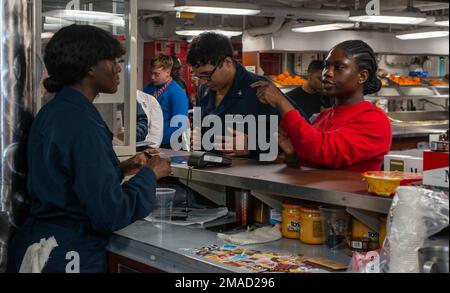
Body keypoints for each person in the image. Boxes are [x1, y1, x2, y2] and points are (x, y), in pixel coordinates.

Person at [6, 24, 171, 273]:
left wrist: (120, 169)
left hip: (43, 241)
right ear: (89, 67)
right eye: (113, 60)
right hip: (68, 252)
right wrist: (150, 175)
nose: (118, 68)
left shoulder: (57, 110)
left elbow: (65, 177)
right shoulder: (81, 122)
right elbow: (109, 213)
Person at [251, 40, 392, 172]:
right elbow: (313, 163)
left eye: (338, 67)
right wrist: (293, 156)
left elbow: (323, 150)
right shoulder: (325, 115)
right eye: (326, 66)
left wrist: (281, 101)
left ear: (362, 76)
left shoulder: (375, 119)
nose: (328, 73)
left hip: (346, 198)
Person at [187, 32, 306, 160]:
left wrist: (253, 144)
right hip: (211, 172)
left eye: (207, 75)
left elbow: (302, 133)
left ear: (227, 62)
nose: (203, 82)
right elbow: (201, 130)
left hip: (253, 175)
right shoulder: (204, 90)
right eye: (198, 76)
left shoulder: (260, 89)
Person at [144, 55, 188, 148]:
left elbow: (179, 125)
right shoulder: (149, 88)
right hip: (148, 141)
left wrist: (159, 141)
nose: (152, 77)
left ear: (167, 72)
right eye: (151, 73)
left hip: (167, 144)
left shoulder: (177, 92)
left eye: (156, 74)